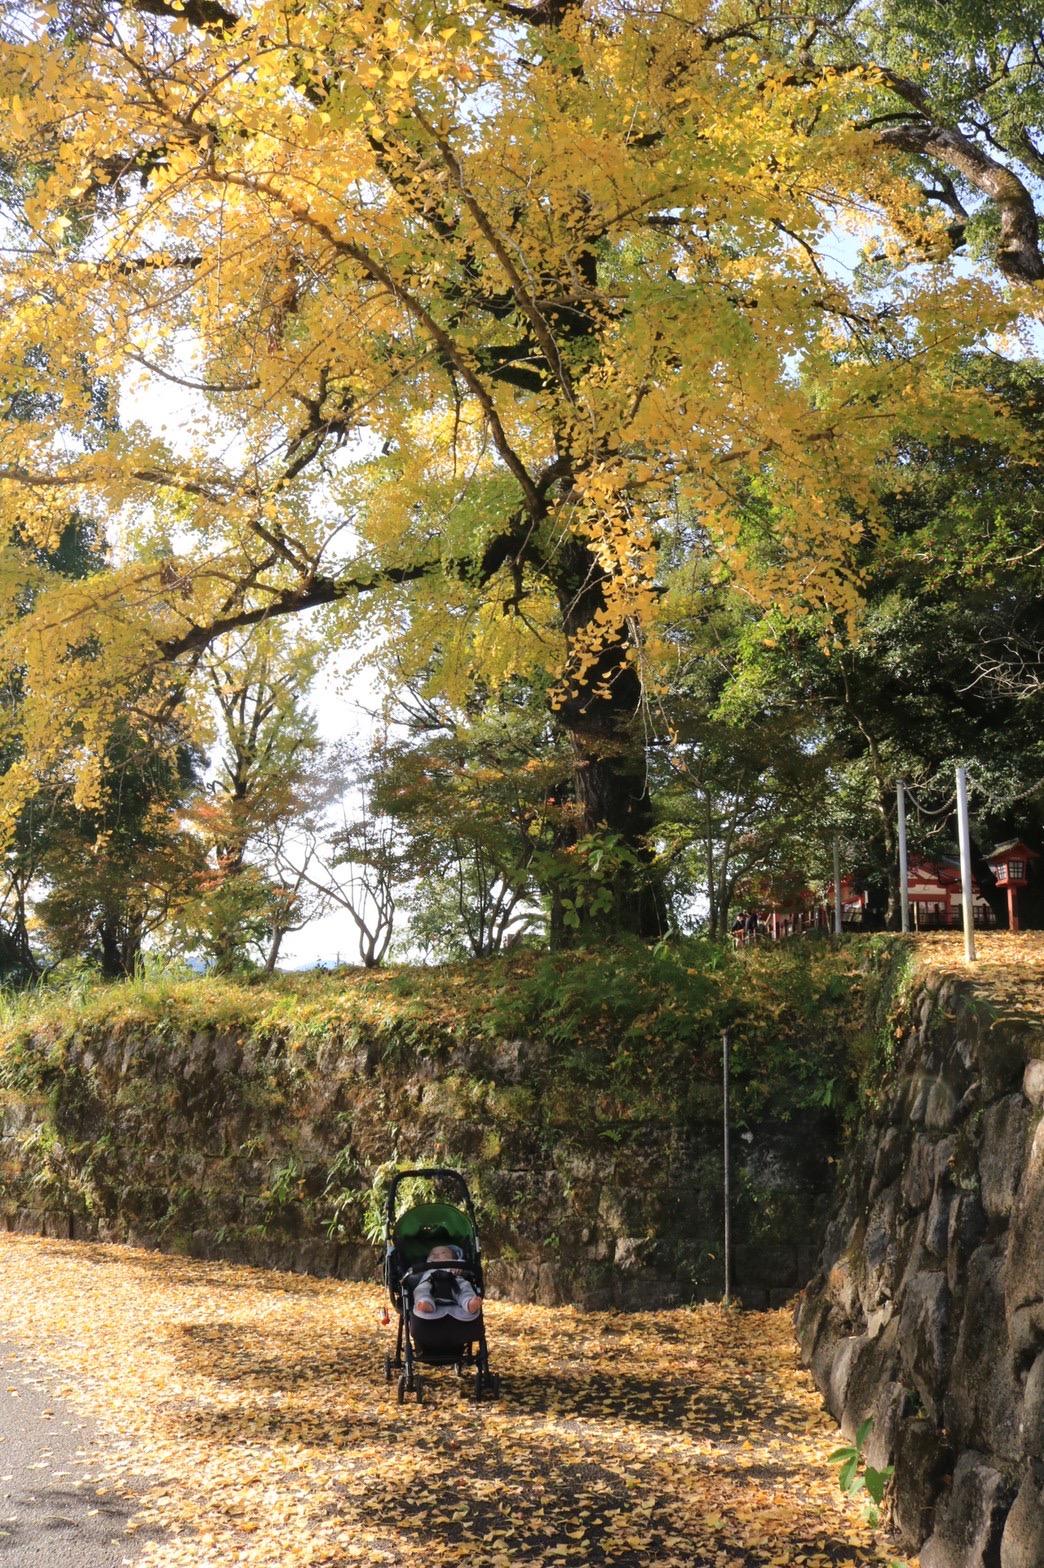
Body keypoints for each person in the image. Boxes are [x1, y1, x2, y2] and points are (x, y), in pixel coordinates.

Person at [412, 1244, 482, 1319]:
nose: (436, 1254)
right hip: (431, 1284)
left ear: (454, 1257)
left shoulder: (457, 1263)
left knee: (465, 1286)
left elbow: (469, 1272)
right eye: (432, 1253)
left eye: (443, 1253)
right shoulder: (425, 1266)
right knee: (421, 1289)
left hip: (454, 1284)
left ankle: (469, 1303)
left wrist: (460, 1267)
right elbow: (416, 1277)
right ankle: (426, 1302)